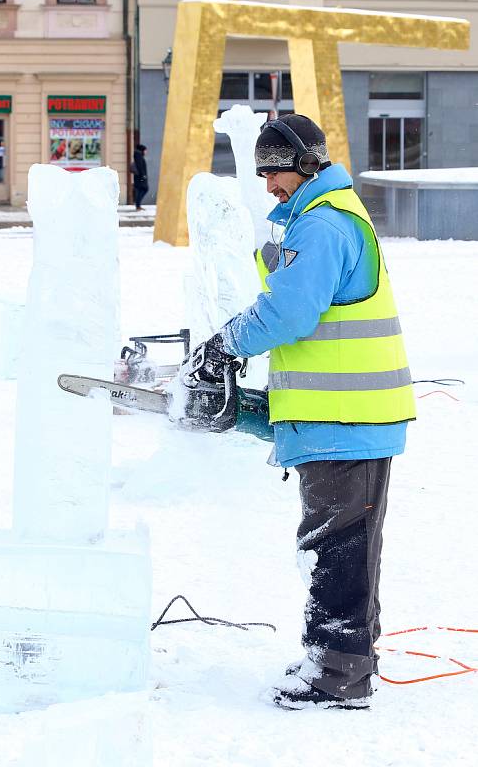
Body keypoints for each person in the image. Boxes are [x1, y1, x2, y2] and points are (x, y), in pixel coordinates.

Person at [199, 114, 416, 710]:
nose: (269, 184)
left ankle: (337, 675)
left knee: (338, 545)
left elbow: (289, 315)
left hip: (348, 418)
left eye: (277, 172)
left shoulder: (324, 225)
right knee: (345, 543)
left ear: (308, 165)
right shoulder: (323, 218)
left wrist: (223, 345)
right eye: (263, 172)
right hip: (343, 416)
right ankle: (342, 658)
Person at [132, 143, 149, 211]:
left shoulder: (138, 155)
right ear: (142, 150)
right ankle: (138, 205)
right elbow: (140, 166)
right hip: (140, 177)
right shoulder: (138, 156)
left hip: (139, 177)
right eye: (145, 150)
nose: (146, 152)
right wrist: (143, 175)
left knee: (140, 190)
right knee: (144, 189)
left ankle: (138, 205)